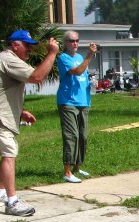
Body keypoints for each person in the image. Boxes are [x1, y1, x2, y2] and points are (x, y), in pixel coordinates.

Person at [0, 29, 59, 216]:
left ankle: (0, 195)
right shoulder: (8, 59)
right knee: (10, 153)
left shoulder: (6, 59)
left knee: (7, 153)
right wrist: (52, 53)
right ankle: (12, 203)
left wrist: (20, 113)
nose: (30, 49)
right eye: (27, 45)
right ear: (15, 45)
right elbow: (37, 77)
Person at [56, 30, 97, 183]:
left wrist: (91, 83)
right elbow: (77, 71)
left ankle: (77, 168)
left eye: (77, 41)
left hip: (83, 101)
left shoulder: (79, 57)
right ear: (65, 43)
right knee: (71, 135)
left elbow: (84, 75)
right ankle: (67, 172)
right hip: (68, 102)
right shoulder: (63, 58)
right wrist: (90, 55)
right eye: (72, 41)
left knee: (82, 136)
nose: (75, 44)